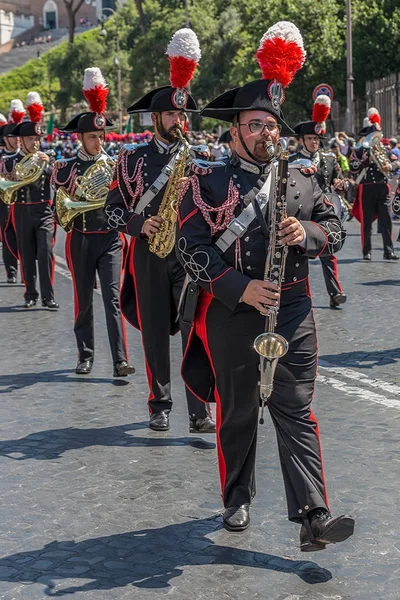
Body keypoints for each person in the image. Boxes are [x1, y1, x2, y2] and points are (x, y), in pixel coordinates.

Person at [176, 22, 354, 551]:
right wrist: (238, 288)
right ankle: (237, 497)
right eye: (254, 125)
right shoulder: (207, 182)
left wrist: (311, 234)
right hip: (233, 313)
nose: (265, 132)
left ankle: (312, 517)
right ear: (235, 132)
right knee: (235, 412)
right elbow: (190, 249)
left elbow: (337, 227)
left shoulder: (301, 178)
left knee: (294, 407)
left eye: (271, 124)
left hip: (294, 310)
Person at [105, 29, 216, 434]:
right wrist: (140, 223)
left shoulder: (199, 158)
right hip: (150, 254)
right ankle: (160, 403)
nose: (179, 121)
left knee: (194, 331)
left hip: (189, 256)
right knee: (154, 333)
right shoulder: (131, 161)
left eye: (182, 115)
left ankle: (199, 408)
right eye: (172, 115)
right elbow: (112, 209)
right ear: (156, 118)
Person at [52, 68, 135, 378]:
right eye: (93, 137)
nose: (99, 142)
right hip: (82, 238)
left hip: (111, 239)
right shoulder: (66, 169)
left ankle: (120, 360)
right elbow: (60, 205)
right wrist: (68, 191)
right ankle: (85, 355)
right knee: (84, 300)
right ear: (81, 138)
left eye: (101, 136)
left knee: (112, 300)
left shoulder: (115, 167)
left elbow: (128, 199)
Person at [291, 95, 347, 309]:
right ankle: (299, 298)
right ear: (302, 140)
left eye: (317, 139)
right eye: (310, 139)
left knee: (328, 252)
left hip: (323, 211)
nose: (314, 142)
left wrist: (342, 183)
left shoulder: (330, 159)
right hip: (300, 212)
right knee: (298, 256)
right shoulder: (293, 162)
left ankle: (335, 293)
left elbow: (339, 181)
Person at [8, 93, 58, 309]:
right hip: (21, 210)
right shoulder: (11, 161)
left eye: (38, 139)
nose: (36, 143)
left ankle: (48, 296)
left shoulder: (46, 158)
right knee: (26, 254)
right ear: (23, 140)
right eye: (32, 139)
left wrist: (47, 165)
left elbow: (56, 180)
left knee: (45, 251)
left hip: (43, 210)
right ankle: (30, 294)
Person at [352, 108, 400, 260]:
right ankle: (367, 251)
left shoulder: (385, 149)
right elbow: (353, 167)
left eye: (377, 136)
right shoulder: (360, 150)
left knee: (386, 219)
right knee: (366, 222)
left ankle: (389, 250)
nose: (376, 139)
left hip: (382, 187)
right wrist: (367, 161)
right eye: (373, 136)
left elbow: (396, 163)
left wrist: (390, 167)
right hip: (366, 188)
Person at [0, 103, 23, 284]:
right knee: (8, 237)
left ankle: (26, 272)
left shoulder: (26, 156)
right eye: (12, 137)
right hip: (4, 204)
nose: (16, 140)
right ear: (5, 139)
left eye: (18, 137)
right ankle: (11, 270)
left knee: (24, 240)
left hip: (23, 203)